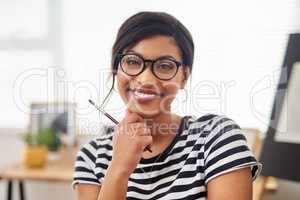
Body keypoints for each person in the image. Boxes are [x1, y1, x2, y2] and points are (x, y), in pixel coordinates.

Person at [72, 11, 262, 200]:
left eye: (165, 65)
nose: (146, 79)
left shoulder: (217, 137)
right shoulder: (92, 157)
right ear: (116, 69)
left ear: (184, 77)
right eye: (132, 61)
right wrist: (119, 169)